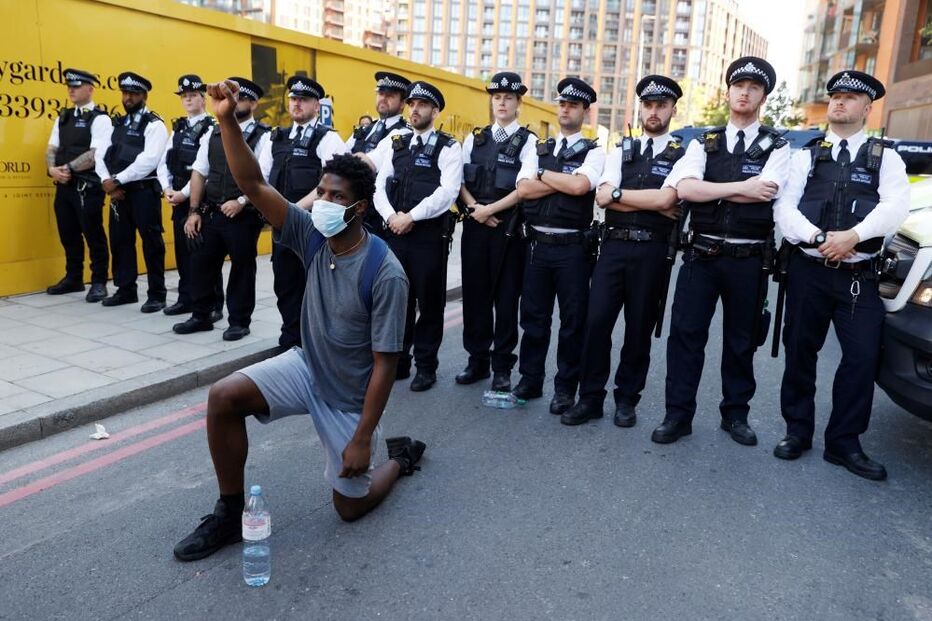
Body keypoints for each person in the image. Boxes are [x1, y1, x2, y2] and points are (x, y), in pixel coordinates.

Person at [173, 79, 424, 562]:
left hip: (349, 395)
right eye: (322, 193)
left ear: (360, 208)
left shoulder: (385, 271)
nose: (324, 203)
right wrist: (227, 120)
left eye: (335, 197)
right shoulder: (312, 235)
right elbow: (253, 184)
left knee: (349, 508)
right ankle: (228, 512)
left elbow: (385, 363)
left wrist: (362, 438)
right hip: (308, 365)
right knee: (223, 396)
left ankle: (397, 457)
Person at [772, 70, 909, 481]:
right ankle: (797, 431)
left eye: (850, 97)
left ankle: (844, 443)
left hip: (858, 276)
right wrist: (818, 237)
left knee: (862, 358)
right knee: (800, 352)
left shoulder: (886, 157)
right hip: (808, 270)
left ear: (867, 108)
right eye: (835, 95)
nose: (839, 102)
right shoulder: (805, 156)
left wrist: (854, 235)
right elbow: (785, 209)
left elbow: (896, 207)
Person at [652, 57, 790, 446]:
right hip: (701, 254)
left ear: (763, 96)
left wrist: (715, 187)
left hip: (748, 259)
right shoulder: (702, 142)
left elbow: (770, 188)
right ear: (727, 92)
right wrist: (743, 188)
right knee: (685, 336)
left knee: (741, 341)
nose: (744, 92)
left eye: (753, 87)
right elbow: (685, 190)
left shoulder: (777, 146)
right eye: (738, 86)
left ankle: (735, 416)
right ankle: (677, 416)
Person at [561, 75, 684, 427]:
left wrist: (623, 197)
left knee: (638, 329)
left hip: (652, 252)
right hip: (612, 247)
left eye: (662, 105)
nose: (654, 111)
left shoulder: (683, 152)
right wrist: (643, 201)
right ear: (640, 108)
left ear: (673, 109)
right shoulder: (620, 150)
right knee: (596, 323)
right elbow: (602, 196)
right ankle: (590, 398)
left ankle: (627, 400)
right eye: (648, 105)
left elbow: (669, 199)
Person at [512, 77, 605, 415]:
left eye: (574, 105)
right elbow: (522, 190)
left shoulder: (595, 152)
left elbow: (581, 186)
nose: (565, 109)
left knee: (572, 322)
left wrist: (543, 176)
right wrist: (558, 180)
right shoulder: (539, 148)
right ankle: (530, 378)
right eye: (562, 103)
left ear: (585, 111)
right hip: (537, 245)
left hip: (573, 249)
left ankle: (565, 388)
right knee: (534, 318)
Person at [373, 81, 463, 391]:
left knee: (429, 302)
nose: (414, 109)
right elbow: (379, 187)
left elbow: (447, 192)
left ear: (435, 111)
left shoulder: (450, 147)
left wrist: (411, 217)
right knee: (398, 301)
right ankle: (400, 362)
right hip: (396, 234)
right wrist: (390, 217)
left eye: (422, 105)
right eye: (411, 104)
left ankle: (426, 365)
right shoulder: (396, 142)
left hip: (427, 236)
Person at [172, 77, 271, 341]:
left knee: (242, 268)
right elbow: (199, 172)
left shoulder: (264, 135)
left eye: (243, 99)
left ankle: (239, 321)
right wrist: (193, 211)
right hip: (212, 211)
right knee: (201, 264)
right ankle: (201, 315)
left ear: (253, 103)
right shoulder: (212, 133)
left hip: (243, 215)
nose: (236, 104)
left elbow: (264, 178)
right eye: (233, 98)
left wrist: (241, 201)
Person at [456, 72, 536, 392]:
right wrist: (477, 209)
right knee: (475, 297)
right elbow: (458, 182)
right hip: (476, 226)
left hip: (508, 231)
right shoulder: (474, 139)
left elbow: (524, 187)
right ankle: (477, 361)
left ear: (518, 103)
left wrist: (489, 211)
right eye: (497, 97)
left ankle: (502, 366)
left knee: (505, 300)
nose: (501, 102)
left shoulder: (529, 142)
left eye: (508, 98)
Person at [259, 76, 347, 349]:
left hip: (313, 228)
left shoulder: (327, 138)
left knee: (315, 288)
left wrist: (292, 211)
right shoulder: (276, 137)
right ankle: (291, 341)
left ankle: (317, 343)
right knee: (285, 286)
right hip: (282, 228)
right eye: (293, 99)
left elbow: (332, 183)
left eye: (304, 99)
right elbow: (260, 179)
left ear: (316, 106)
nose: (297, 104)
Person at [98, 72, 169, 311]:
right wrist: (107, 182)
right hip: (118, 193)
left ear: (144, 96)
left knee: (151, 243)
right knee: (120, 242)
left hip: (142, 192)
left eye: (133, 93)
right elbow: (101, 154)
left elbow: (148, 160)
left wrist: (117, 180)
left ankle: (157, 294)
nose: (128, 98)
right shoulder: (117, 123)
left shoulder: (154, 124)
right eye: (125, 93)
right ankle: (126, 289)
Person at [158, 74, 223, 320]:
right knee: (184, 254)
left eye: (192, 95)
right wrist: (167, 190)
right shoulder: (179, 127)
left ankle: (214, 304)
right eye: (184, 96)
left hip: (200, 202)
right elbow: (163, 162)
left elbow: (205, 169)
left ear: (203, 98)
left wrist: (184, 194)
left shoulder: (211, 127)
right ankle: (186, 298)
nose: (187, 100)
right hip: (177, 200)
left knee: (206, 255)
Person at [45, 68, 112, 302]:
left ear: (90, 88)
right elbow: (52, 148)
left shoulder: (100, 119)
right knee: (68, 233)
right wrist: (52, 169)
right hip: (63, 185)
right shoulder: (63, 117)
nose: (71, 90)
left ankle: (99, 282)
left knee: (93, 233)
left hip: (87, 187)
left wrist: (68, 169)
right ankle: (73, 278)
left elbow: (95, 154)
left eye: (76, 86)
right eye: (69, 86)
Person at [347, 71, 411, 237]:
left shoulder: (403, 132)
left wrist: (348, 161)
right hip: (352, 209)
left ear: (403, 103)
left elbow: (367, 163)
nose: (383, 98)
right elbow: (336, 160)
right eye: (381, 93)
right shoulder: (363, 130)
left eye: (390, 95)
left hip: (377, 214)